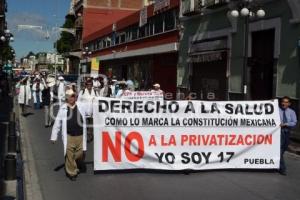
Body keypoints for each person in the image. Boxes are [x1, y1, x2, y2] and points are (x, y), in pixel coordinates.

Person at [50, 89, 91, 181]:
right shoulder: (63, 108)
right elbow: (57, 123)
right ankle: (72, 173)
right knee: (69, 154)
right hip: (69, 136)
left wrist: (96, 101)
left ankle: (73, 164)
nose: (71, 98)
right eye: (69, 96)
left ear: (75, 97)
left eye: (72, 96)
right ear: (66, 98)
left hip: (80, 135)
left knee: (80, 154)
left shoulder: (81, 106)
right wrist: (54, 136)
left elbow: (90, 110)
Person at [279, 96, 297, 175]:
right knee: (279, 150)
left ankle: (277, 162)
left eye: (286, 102)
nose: (284, 103)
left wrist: (286, 124)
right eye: (283, 101)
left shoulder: (292, 112)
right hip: (279, 132)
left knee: (283, 149)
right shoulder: (277, 110)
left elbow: (294, 122)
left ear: (289, 104)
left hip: (287, 132)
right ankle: (282, 168)